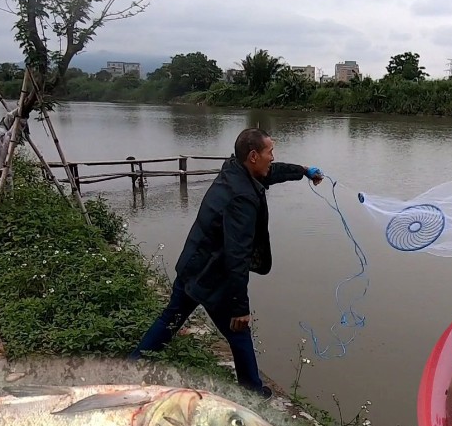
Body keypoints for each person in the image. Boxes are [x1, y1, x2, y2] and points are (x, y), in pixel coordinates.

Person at [129, 127, 324, 398]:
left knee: (170, 319)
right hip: (211, 274)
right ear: (254, 156)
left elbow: (271, 172)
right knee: (239, 330)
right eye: (270, 152)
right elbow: (237, 256)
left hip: (193, 262)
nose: (273, 157)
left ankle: (131, 368)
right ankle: (253, 393)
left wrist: (302, 170)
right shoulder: (242, 198)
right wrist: (240, 307)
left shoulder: (234, 168)